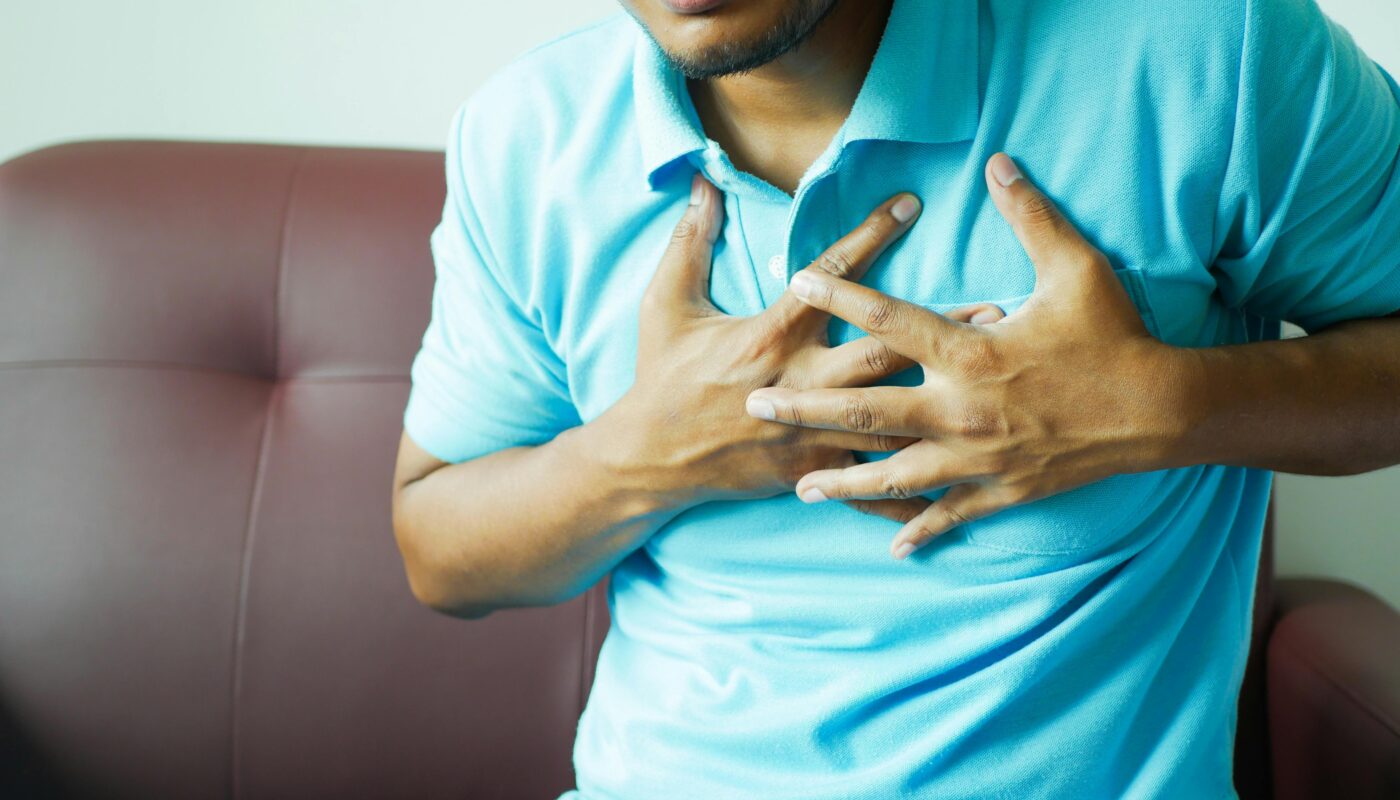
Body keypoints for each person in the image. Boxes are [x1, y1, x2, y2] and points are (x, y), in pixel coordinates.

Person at [389, 0, 1400, 796]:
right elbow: (438, 549)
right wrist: (645, 454)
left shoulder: (1211, 45)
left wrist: (1161, 407)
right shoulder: (521, 136)